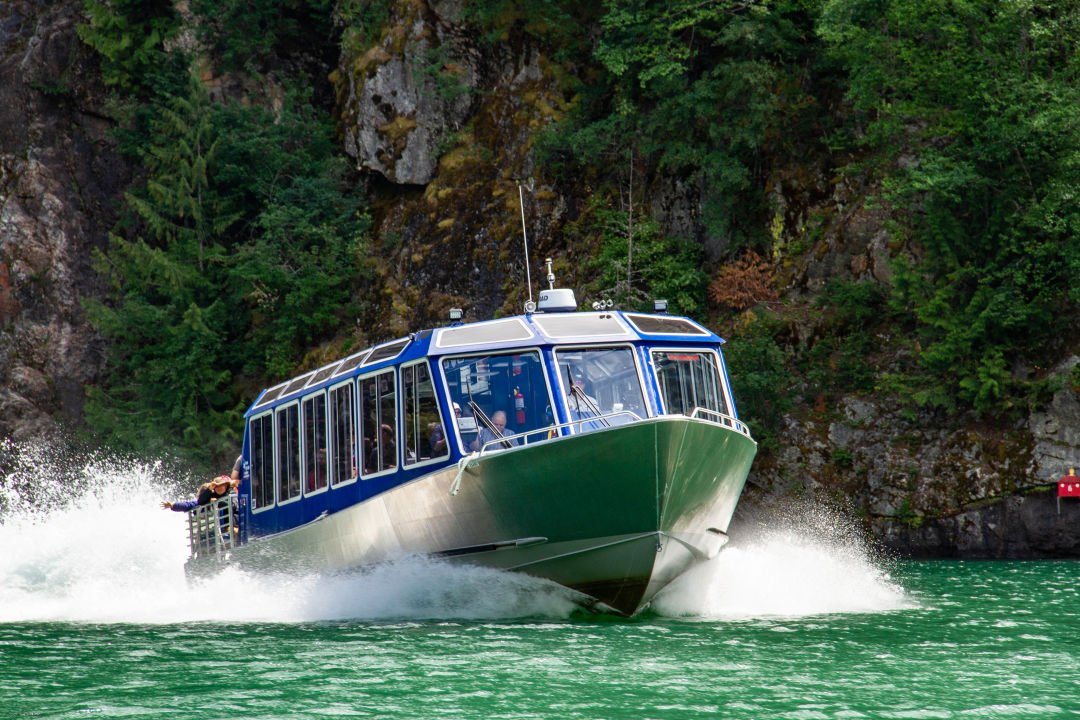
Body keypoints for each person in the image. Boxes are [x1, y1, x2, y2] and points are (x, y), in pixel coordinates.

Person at [161, 475, 238, 512]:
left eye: (221, 486)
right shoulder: (210, 497)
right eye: (216, 486)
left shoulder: (231, 494)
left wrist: (217, 502)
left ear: (226, 486)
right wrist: (173, 505)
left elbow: (233, 506)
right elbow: (195, 503)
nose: (219, 488)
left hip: (229, 524)